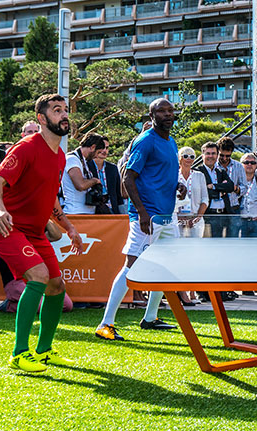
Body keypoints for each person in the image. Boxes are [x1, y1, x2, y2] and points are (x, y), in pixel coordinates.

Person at [0, 94, 83, 372]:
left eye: (65, 110)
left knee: (56, 286)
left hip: (34, 231)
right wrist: (0, 210)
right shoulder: (26, 147)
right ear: (41, 118)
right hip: (5, 227)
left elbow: (51, 198)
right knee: (39, 276)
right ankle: (19, 354)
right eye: (57, 110)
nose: (64, 115)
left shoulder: (60, 156)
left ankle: (44, 351)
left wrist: (69, 227)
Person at [95, 98, 185, 342]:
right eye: (161, 111)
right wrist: (142, 212)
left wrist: (178, 185)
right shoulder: (145, 141)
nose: (168, 114)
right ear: (151, 115)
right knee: (131, 265)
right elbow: (128, 178)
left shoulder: (171, 141)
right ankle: (105, 324)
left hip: (167, 215)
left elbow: (161, 173)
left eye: (170, 110)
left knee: (164, 267)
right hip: (147, 217)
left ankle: (150, 318)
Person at [195, 142, 235, 239]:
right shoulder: (198, 172)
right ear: (202, 155)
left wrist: (214, 186)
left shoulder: (220, 171)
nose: (210, 156)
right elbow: (203, 193)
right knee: (208, 245)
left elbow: (230, 186)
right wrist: (221, 191)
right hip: (208, 215)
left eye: (213, 153)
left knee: (222, 245)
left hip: (224, 215)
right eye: (208, 153)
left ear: (217, 156)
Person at [60, 133, 107, 215]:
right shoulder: (72, 159)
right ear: (92, 147)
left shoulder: (83, 161)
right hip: (75, 212)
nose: (97, 156)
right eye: (98, 152)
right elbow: (80, 185)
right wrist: (94, 181)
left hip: (85, 212)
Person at [175, 146, 209, 239]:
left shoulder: (200, 176)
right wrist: (178, 218)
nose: (189, 159)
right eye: (185, 156)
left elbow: (205, 199)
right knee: (178, 245)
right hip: (177, 219)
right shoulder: (174, 176)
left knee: (196, 246)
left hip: (196, 219)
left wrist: (197, 217)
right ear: (180, 158)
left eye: (192, 156)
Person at [217, 137, 246, 237]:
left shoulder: (239, 166)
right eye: (221, 155)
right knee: (215, 240)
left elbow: (244, 187)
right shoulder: (213, 165)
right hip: (218, 208)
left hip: (234, 208)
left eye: (227, 156)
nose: (224, 158)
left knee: (232, 240)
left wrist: (235, 188)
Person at [92, 138, 124, 214]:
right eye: (102, 147)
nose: (104, 150)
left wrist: (122, 212)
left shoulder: (113, 168)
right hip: (92, 211)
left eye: (106, 148)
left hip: (112, 210)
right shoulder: (87, 166)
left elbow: (118, 194)